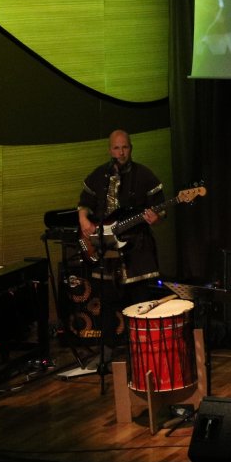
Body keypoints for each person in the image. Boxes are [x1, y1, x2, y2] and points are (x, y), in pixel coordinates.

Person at [78, 130, 164, 356]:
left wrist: (156, 218)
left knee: (140, 301)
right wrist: (83, 220)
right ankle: (108, 353)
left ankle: (145, 351)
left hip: (137, 251)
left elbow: (159, 209)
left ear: (131, 148)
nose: (121, 152)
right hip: (107, 251)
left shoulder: (144, 175)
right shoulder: (100, 175)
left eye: (125, 147)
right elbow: (84, 203)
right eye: (117, 148)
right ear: (110, 150)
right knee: (107, 302)